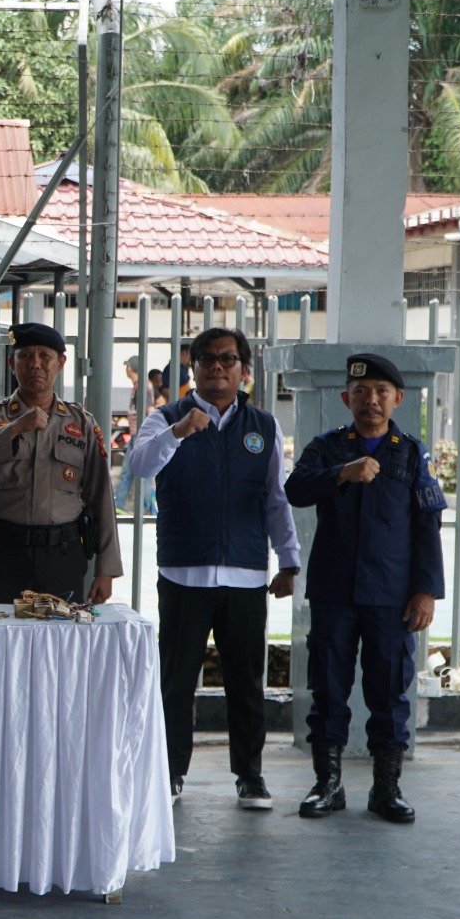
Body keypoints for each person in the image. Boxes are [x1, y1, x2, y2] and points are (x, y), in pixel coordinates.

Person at [123, 326, 299, 809]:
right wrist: (179, 432)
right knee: (176, 682)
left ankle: (250, 776)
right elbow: (138, 465)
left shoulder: (263, 426)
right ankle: (170, 773)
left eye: (228, 359)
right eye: (207, 359)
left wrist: (288, 560)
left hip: (245, 576)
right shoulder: (165, 417)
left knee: (246, 683)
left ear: (244, 369)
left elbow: (276, 499)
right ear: (193, 367)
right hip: (184, 574)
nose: (217, 367)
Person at [285, 353, 445, 824]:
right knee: (328, 689)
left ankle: (386, 788)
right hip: (334, 591)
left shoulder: (411, 454)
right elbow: (295, 489)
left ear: (397, 399)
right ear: (346, 398)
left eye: (380, 392)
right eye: (360, 392)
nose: (370, 400)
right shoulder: (328, 447)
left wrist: (426, 591)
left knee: (389, 693)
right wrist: (341, 473)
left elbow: (427, 525)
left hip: (391, 597)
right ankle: (328, 785)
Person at [0, 321, 120, 605]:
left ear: (60, 363)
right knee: (0, 630)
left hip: (63, 554)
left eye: (44, 356)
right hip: (7, 553)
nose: (35, 364)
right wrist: (13, 429)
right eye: (25, 356)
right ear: (12, 364)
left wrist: (107, 569)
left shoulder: (82, 423)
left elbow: (101, 496)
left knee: (61, 632)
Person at [114, 355, 157, 516]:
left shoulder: (141, 388)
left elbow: (150, 410)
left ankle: (145, 508)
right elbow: (158, 401)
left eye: (127, 366)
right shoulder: (143, 386)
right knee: (130, 471)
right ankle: (119, 504)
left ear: (130, 368)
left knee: (140, 472)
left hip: (140, 435)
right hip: (138, 435)